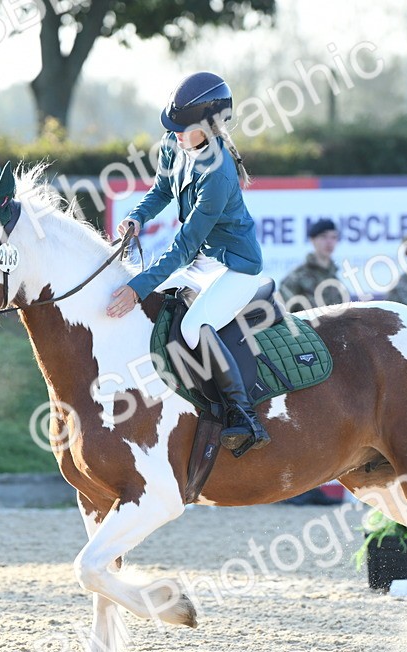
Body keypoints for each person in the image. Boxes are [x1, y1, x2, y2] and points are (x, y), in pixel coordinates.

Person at [106, 72, 270, 456]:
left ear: (210, 127)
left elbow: (184, 245)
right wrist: (137, 217)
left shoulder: (219, 172)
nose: (176, 133)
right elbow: (162, 189)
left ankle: (242, 415)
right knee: (156, 305)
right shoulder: (173, 143)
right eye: (174, 126)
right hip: (202, 260)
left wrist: (137, 287)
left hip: (235, 266)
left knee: (196, 323)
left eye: (184, 127)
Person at [279, 218, 340, 310]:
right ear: (313, 240)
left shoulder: (335, 279)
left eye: (333, 237)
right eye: (324, 237)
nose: (329, 242)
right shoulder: (297, 277)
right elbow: (283, 312)